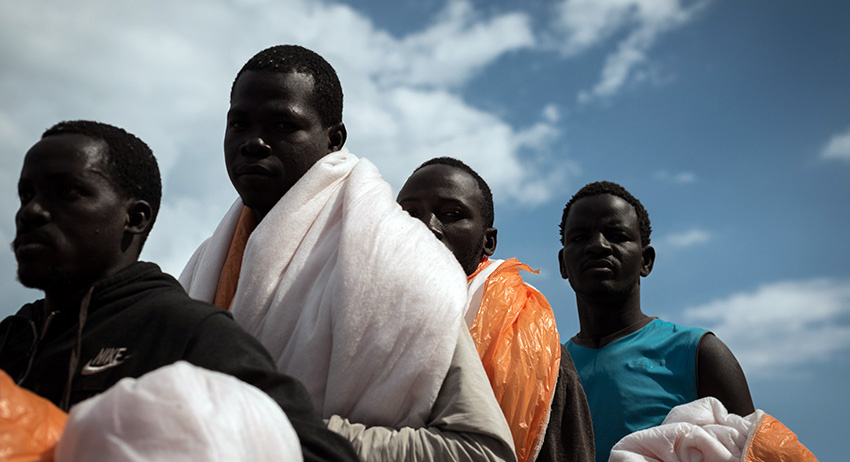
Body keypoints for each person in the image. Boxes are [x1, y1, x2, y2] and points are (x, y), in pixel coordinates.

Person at [179, 45, 515, 461]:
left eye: (283, 124)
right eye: (239, 124)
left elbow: (481, 450)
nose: (254, 143)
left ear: (334, 140)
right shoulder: (205, 266)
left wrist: (291, 435)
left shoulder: (390, 259)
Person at [0, 120, 357, 461]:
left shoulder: (185, 332)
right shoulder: (9, 338)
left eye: (67, 192)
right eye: (26, 195)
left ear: (135, 218)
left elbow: (319, 453)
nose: (31, 212)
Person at [397, 157, 595, 462]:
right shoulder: (348, 316)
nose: (426, 227)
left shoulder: (537, 349)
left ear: (488, 242)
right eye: (409, 214)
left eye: (451, 215)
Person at [557, 180, 755, 462]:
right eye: (579, 237)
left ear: (646, 260)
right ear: (563, 264)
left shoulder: (699, 354)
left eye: (616, 235)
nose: (598, 246)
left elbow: (750, 452)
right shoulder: (549, 371)